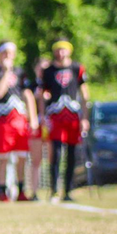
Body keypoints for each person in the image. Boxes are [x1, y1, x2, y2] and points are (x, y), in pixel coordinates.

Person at [0, 42, 38, 201]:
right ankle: (2, 191)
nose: (8, 56)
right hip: (3, 121)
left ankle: (21, 190)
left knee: (22, 157)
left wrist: (33, 119)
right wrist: (6, 72)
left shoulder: (21, 72)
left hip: (20, 121)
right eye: (5, 52)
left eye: (11, 52)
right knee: (3, 158)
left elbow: (27, 95)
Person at [38, 40, 90, 202]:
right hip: (55, 116)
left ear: (69, 51)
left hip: (73, 117)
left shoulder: (77, 68)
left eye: (63, 50)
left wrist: (85, 118)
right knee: (57, 153)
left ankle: (68, 190)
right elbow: (41, 95)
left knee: (72, 155)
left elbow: (84, 94)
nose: (61, 53)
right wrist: (42, 116)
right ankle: (54, 189)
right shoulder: (48, 71)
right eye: (58, 50)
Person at [26, 57, 51, 200]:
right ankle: (34, 191)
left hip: (50, 124)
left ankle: (54, 190)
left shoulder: (52, 84)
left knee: (53, 157)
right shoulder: (31, 86)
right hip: (36, 125)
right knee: (36, 160)